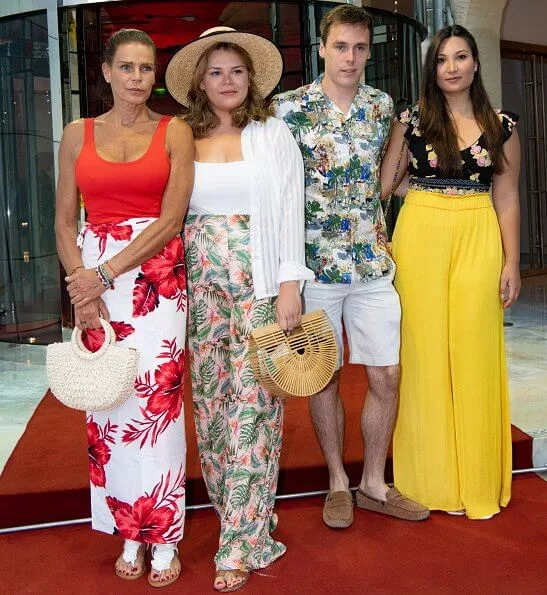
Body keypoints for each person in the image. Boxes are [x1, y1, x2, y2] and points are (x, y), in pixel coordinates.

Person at [165, 27, 313, 592]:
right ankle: (239, 514)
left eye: (237, 71)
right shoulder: (182, 135)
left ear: (251, 79)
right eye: (216, 72)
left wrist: (289, 285)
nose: (227, 81)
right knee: (211, 408)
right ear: (201, 83)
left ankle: (242, 541)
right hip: (200, 293)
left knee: (253, 410)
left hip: (259, 289)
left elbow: (290, 211)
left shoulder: (272, 134)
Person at [272, 4, 429, 529]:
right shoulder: (288, 109)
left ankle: (374, 483)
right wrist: (283, 277)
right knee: (323, 378)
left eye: (361, 47)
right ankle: (339, 480)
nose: (351, 57)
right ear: (322, 47)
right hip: (314, 271)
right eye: (341, 46)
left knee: (387, 372)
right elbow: (274, 193)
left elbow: (382, 184)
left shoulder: (381, 105)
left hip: (371, 264)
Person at [55, 29, 194, 586]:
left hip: (155, 276)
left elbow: (171, 220)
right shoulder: (76, 134)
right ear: (107, 72)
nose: (138, 77)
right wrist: (81, 285)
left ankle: (163, 536)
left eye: (146, 68)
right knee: (108, 405)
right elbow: (65, 221)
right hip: (91, 271)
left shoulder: (174, 131)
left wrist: (104, 275)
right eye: (128, 67)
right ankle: (127, 531)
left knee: (156, 410)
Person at [381, 25, 521, 519]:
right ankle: (429, 480)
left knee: (473, 348)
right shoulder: (413, 118)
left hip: (478, 234)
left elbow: (506, 198)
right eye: (442, 60)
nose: (452, 67)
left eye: (461, 57)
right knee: (422, 351)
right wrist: (429, 200)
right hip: (420, 235)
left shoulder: (501, 125)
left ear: (476, 63)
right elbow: (387, 184)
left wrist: (512, 262)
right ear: (432, 69)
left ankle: (474, 479)